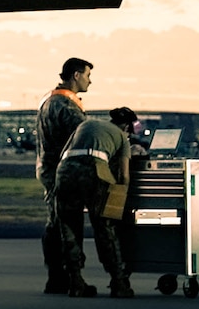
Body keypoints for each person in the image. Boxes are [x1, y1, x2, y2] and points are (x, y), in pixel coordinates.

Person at [54, 106, 142, 297]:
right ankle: (119, 283)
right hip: (94, 171)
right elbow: (124, 176)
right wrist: (120, 202)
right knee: (104, 227)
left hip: (65, 172)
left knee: (69, 227)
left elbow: (67, 151)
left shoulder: (87, 124)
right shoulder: (121, 137)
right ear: (127, 126)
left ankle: (75, 282)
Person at [36, 58, 93, 294]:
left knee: (54, 223)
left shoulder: (48, 101)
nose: (90, 80)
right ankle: (73, 279)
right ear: (76, 75)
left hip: (48, 170)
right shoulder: (66, 106)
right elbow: (86, 135)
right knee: (68, 225)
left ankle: (55, 277)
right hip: (64, 173)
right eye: (88, 75)